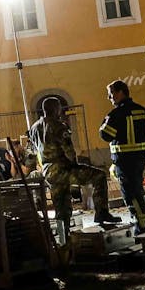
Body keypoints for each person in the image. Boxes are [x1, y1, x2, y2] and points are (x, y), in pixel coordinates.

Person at [30, 96, 116, 238]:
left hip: (48, 172)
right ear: (55, 109)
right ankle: (101, 212)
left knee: (60, 204)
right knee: (99, 176)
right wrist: (75, 165)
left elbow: (35, 150)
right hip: (63, 169)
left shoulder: (34, 128)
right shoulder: (59, 126)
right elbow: (69, 151)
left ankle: (63, 237)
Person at [100, 80, 145, 234]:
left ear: (120, 92)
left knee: (130, 193)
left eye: (111, 93)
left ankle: (141, 224)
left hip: (124, 159)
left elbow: (105, 134)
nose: (109, 97)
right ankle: (142, 221)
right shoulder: (142, 110)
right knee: (137, 189)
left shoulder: (116, 114)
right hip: (141, 158)